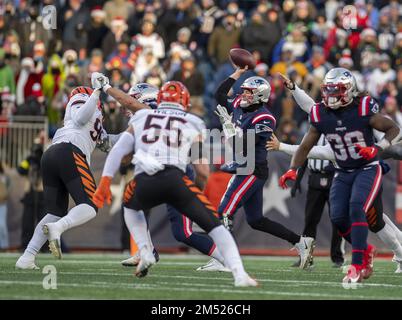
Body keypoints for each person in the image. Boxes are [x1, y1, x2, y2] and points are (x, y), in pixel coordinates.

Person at [93, 80, 257, 287]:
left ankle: (146, 251)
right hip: (176, 179)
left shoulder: (143, 115)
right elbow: (203, 170)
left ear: (158, 99)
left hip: (148, 180)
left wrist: (105, 180)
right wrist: (195, 192)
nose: (130, 106)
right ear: (185, 102)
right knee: (215, 227)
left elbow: (120, 151)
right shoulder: (193, 121)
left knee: (133, 207)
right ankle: (239, 273)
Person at [279, 67, 401, 284]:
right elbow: (306, 145)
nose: (331, 96)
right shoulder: (321, 114)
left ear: (349, 90)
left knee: (358, 209)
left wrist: (378, 148)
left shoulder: (362, 108)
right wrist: (293, 169)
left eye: (337, 91)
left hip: (368, 168)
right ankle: (366, 252)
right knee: (337, 217)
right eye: (328, 90)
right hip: (343, 171)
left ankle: (357, 265)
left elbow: (394, 129)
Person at [15, 73, 148, 269]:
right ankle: (57, 228)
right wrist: (95, 94)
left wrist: (139, 135)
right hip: (68, 151)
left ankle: (27, 257)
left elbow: (109, 142)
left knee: (55, 211)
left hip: (52, 154)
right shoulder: (85, 103)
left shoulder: (94, 119)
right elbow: (79, 118)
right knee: (91, 205)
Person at [118, 83, 228, 273]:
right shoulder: (152, 119)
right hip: (161, 175)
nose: (129, 108)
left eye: (134, 102)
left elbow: (199, 164)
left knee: (183, 233)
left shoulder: (157, 119)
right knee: (135, 205)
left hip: (178, 175)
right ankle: (147, 250)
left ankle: (225, 258)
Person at [213, 66, 314, 269]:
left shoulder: (265, 118)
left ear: (260, 96)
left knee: (224, 211)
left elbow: (242, 147)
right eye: (244, 90)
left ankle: (225, 260)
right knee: (256, 220)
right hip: (245, 168)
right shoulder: (239, 106)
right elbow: (220, 94)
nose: (243, 94)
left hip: (252, 169)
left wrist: (228, 127)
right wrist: (238, 74)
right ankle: (301, 242)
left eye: (249, 92)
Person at [0, 162, 9, 249]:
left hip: (2, 204)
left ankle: (4, 246)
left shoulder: (3, 177)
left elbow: (6, 191)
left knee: (2, 225)